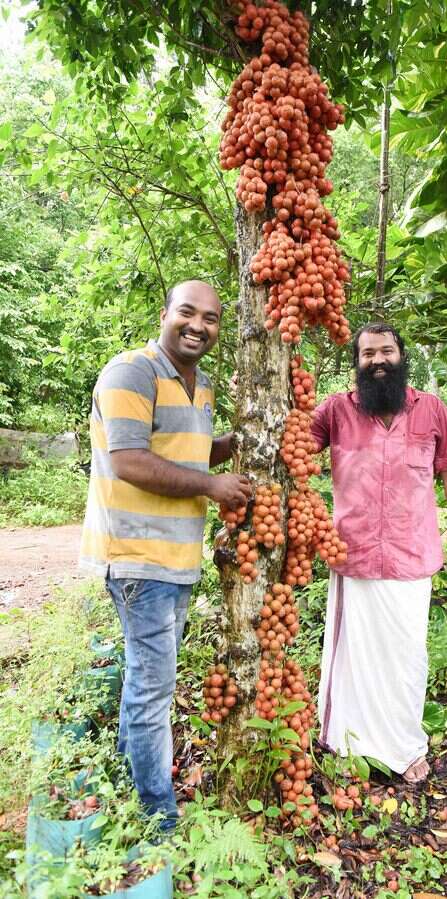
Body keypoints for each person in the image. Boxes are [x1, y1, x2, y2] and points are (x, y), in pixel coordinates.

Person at [79, 279, 252, 830]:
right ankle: (157, 816)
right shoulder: (132, 372)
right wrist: (212, 487)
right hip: (137, 557)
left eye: (211, 318)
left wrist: (232, 446)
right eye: (187, 312)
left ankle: (126, 775)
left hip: (176, 561)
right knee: (154, 689)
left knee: (146, 678)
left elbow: (186, 453)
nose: (198, 325)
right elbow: (130, 460)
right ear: (165, 314)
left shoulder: (201, 386)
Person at [311, 322, 447, 784]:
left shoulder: (432, 409)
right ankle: (346, 745)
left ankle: (403, 747)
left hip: (410, 556)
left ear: (401, 357)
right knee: (351, 660)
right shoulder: (336, 410)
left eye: (386, 351)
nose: (377, 360)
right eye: (367, 354)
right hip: (354, 556)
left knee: (406, 658)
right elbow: (292, 445)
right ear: (356, 362)